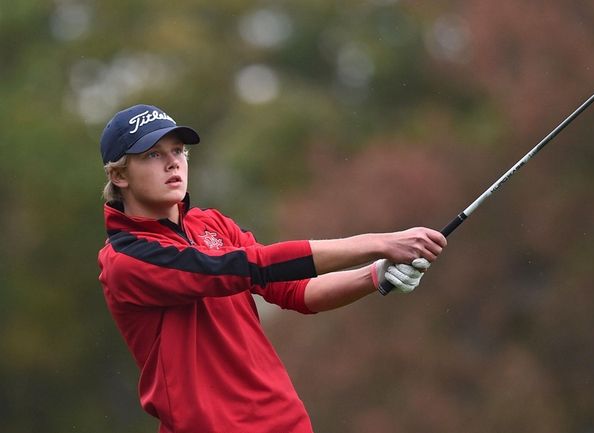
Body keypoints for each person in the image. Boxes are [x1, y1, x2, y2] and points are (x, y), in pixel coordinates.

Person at [96, 104, 447, 433]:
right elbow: (248, 267)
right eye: (153, 155)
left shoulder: (211, 225)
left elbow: (295, 290)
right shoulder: (127, 260)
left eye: (178, 151)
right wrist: (377, 242)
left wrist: (375, 274)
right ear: (119, 175)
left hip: (285, 422)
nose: (173, 163)